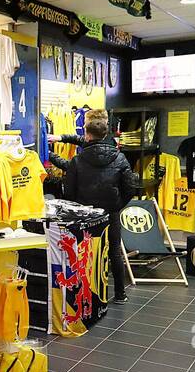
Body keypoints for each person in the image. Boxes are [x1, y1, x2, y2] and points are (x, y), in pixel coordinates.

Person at [48, 110, 138, 303]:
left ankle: (85, 293)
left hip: (85, 214)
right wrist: (117, 205)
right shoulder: (119, 157)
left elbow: (69, 192)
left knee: (85, 251)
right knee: (114, 250)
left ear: (87, 135)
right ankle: (120, 294)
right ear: (106, 134)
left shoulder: (78, 160)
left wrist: (49, 155)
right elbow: (131, 187)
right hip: (110, 211)